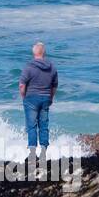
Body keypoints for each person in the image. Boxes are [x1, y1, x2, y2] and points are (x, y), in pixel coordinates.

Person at [18, 42, 57, 173]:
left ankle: (33, 153)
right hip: (46, 98)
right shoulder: (52, 67)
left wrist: (24, 97)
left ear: (34, 53)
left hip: (31, 99)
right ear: (43, 53)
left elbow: (22, 85)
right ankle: (44, 153)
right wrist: (50, 98)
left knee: (31, 126)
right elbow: (54, 85)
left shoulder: (29, 67)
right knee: (44, 126)